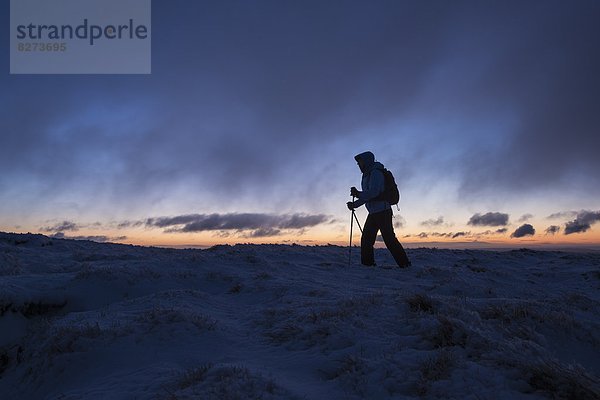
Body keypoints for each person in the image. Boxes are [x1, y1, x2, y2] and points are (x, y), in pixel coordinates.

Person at [347, 151, 411, 268]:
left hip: (383, 210)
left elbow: (374, 192)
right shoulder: (366, 175)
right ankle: (368, 265)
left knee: (388, 239)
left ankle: (405, 264)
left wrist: (358, 194)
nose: (359, 165)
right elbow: (368, 196)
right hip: (374, 212)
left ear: (366, 161)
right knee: (367, 239)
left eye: (360, 162)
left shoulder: (375, 173)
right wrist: (355, 204)